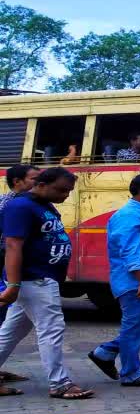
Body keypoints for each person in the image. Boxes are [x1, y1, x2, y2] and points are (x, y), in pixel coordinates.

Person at [0, 167, 94, 399]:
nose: (66, 195)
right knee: (51, 329)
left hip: (43, 277)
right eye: (61, 190)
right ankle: (60, 383)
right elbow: (13, 245)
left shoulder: (43, 205)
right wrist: (14, 284)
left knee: (12, 331)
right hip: (34, 279)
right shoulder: (20, 206)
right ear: (41, 184)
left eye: (69, 191)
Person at [87, 173, 140, 387]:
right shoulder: (128, 216)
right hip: (137, 282)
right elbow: (129, 252)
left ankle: (106, 351)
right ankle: (131, 373)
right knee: (135, 326)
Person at [0, 164, 39, 392]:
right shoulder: (11, 205)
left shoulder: (28, 204)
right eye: (34, 179)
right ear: (17, 182)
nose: (40, 183)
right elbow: (10, 243)